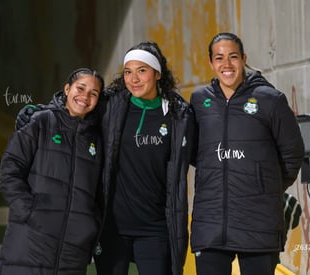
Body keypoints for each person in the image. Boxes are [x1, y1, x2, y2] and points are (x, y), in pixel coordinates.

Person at [16, 41, 195, 275]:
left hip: (155, 228)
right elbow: (75, 107)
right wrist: (37, 113)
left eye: (142, 71)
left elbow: (201, 152)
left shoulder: (177, 115)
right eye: (129, 72)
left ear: (157, 73)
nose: (134, 79)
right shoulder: (111, 106)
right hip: (112, 228)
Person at [189, 32, 304, 275]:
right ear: (210, 63)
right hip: (210, 224)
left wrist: (265, 186)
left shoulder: (270, 100)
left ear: (244, 58)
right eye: (219, 58)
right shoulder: (199, 101)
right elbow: (194, 152)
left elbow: (293, 154)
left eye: (233, 57)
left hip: (258, 223)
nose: (226, 64)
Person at [0, 68, 105, 275]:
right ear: (67, 89)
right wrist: (30, 212)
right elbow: (10, 171)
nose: (85, 97)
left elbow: (98, 192)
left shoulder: (96, 139)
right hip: (31, 243)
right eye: (80, 88)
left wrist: (89, 226)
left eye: (94, 93)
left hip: (73, 251)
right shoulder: (40, 122)